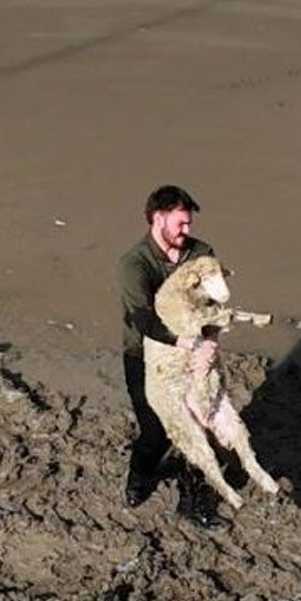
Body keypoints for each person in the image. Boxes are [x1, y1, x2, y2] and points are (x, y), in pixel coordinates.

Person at [116, 184, 224, 529]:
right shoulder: (133, 265)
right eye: (180, 224)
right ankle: (141, 472)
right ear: (158, 218)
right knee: (155, 433)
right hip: (144, 355)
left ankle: (194, 501)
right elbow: (143, 320)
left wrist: (209, 342)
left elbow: (214, 305)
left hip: (193, 355)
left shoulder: (201, 253)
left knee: (197, 427)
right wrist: (189, 343)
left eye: (189, 224)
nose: (187, 231)